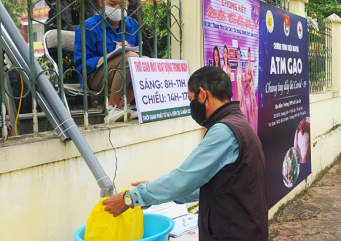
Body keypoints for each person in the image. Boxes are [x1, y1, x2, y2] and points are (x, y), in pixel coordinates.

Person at [103, 66, 269, 240]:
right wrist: (159, 191)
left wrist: (131, 198)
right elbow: (211, 186)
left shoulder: (224, 131)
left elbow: (183, 179)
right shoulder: (239, 123)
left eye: (191, 99)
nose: (192, 106)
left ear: (203, 94)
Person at [74, 0, 139, 123]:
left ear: (127, 3)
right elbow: (82, 65)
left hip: (122, 73)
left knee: (142, 61)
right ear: (101, 1)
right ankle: (113, 109)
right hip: (94, 77)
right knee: (127, 57)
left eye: (122, 5)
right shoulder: (88, 27)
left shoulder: (132, 25)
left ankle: (124, 106)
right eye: (112, 4)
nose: (117, 9)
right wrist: (112, 56)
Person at [245, 47, 258, 131]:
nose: (249, 57)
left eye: (250, 56)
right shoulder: (246, 69)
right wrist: (248, 88)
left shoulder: (252, 68)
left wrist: (252, 88)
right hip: (249, 92)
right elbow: (246, 84)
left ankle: (254, 127)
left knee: (253, 109)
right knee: (249, 109)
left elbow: (253, 80)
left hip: (252, 93)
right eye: (248, 56)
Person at [235, 47, 247, 116]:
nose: (238, 56)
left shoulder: (241, 69)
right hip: (238, 91)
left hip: (241, 91)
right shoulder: (236, 69)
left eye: (239, 54)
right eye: (237, 54)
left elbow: (243, 81)